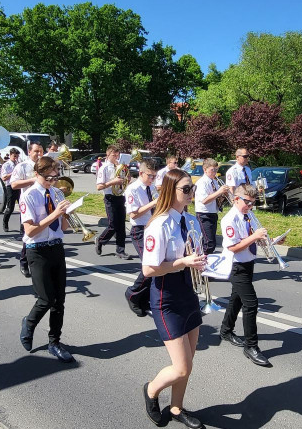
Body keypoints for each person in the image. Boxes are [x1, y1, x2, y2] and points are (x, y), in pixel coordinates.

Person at [141, 169, 208, 429]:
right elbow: (148, 269)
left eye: (192, 188)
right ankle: (151, 391)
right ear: (171, 191)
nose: (191, 193)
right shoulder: (158, 224)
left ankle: (177, 407)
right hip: (166, 297)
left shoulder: (190, 220)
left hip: (188, 292)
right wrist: (182, 261)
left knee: (188, 364)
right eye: (186, 189)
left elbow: (194, 253)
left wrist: (201, 262)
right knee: (180, 368)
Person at [218, 184, 284, 367]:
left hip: (248, 263)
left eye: (252, 203)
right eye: (247, 202)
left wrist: (272, 240)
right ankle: (251, 346)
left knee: (237, 299)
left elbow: (256, 238)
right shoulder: (229, 219)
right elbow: (233, 247)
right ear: (236, 198)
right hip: (236, 265)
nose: (250, 206)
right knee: (251, 303)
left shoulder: (248, 216)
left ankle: (226, 330)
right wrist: (255, 237)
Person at [18, 156, 74, 362]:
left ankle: (54, 342)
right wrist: (54, 214)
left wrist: (67, 214)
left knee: (59, 300)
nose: (53, 181)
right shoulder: (29, 196)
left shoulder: (58, 192)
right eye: (49, 178)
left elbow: (63, 228)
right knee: (45, 298)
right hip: (37, 250)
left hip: (56, 248)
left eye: (56, 176)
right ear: (37, 175)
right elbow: (30, 230)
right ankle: (29, 323)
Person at [122, 158, 159, 317]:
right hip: (140, 230)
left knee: (156, 265)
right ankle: (132, 293)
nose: (152, 179)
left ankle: (144, 300)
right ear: (141, 173)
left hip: (153, 228)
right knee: (149, 266)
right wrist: (153, 203)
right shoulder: (133, 189)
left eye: (154, 176)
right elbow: (134, 213)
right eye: (150, 176)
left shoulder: (151, 188)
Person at [10, 143, 44, 277]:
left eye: (41, 151)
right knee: (29, 236)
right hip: (29, 204)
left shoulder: (45, 165)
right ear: (29, 152)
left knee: (43, 235)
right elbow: (14, 184)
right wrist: (33, 180)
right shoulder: (22, 166)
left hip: (44, 203)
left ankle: (40, 263)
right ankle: (24, 262)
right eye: (36, 151)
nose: (39, 154)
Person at [95, 146, 133, 259]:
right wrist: (113, 182)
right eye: (114, 155)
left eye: (118, 155)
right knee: (113, 225)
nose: (116, 157)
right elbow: (99, 186)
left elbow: (127, 180)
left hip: (120, 196)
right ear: (108, 155)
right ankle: (100, 240)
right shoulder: (104, 168)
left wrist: (128, 177)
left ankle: (120, 251)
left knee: (121, 225)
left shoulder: (121, 167)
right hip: (110, 197)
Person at [194, 158, 229, 255]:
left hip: (213, 213)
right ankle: (201, 262)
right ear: (205, 169)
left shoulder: (214, 182)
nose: (215, 173)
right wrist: (219, 192)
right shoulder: (202, 183)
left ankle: (206, 261)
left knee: (211, 241)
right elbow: (205, 200)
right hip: (204, 214)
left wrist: (224, 195)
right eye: (212, 170)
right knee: (208, 243)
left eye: (216, 170)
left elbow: (217, 199)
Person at [0, 149, 21, 232]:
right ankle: (5, 222)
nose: (16, 158)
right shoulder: (6, 165)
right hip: (10, 187)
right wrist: (14, 172)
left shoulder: (19, 164)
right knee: (10, 208)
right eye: (14, 156)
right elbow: (4, 178)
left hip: (19, 186)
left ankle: (22, 227)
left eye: (17, 156)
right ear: (10, 155)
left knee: (23, 207)